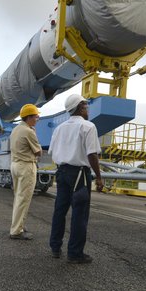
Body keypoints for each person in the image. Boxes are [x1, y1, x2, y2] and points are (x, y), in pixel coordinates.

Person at [48, 94, 104, 264]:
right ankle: (75, 253)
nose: (88, 109)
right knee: (79, 214)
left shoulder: (59, 128)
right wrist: (99, 178)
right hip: (80, 175)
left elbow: (51, 152)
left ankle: (55, 247)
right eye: (86, 106)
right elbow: (92, 154)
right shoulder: (88, 126)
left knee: (60, 211)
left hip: (62, 172)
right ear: (80, 107)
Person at [9, 104, 42, 240]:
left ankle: (18, 225)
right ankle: (16, 231)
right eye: (36, 116)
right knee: (24, 199)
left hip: (15, 165)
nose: (37, 119)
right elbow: (38, 151)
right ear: (29, 117)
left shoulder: (15, 129)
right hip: (26, 167)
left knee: (18, 198)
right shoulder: (29, 131)